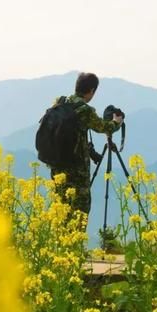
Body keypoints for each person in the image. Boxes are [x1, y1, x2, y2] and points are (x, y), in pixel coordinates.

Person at [50, 72, 124, 222]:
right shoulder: (84, 110)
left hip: (57, 169)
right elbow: (104, 127)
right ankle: (75, 243)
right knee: (80, 213)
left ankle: (59, 243)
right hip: (77, 173)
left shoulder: (60, 102)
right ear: (91, 91)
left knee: (60, 211)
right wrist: (117, 122)